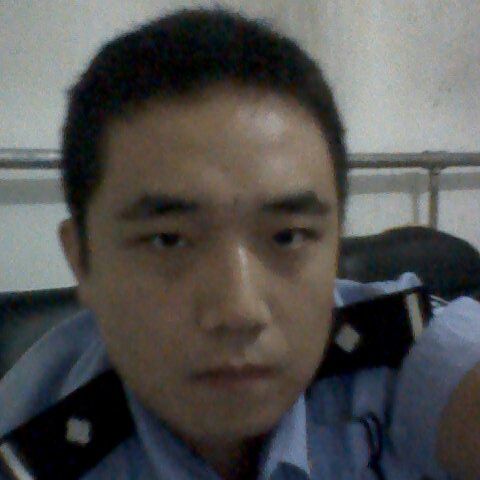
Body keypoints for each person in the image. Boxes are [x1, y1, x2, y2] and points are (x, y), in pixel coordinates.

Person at [1, 7, 479, 480]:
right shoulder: (31, 452)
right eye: (168, 240)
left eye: (287, 236)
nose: (239, 311)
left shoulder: (394, 355)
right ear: (81, 260)